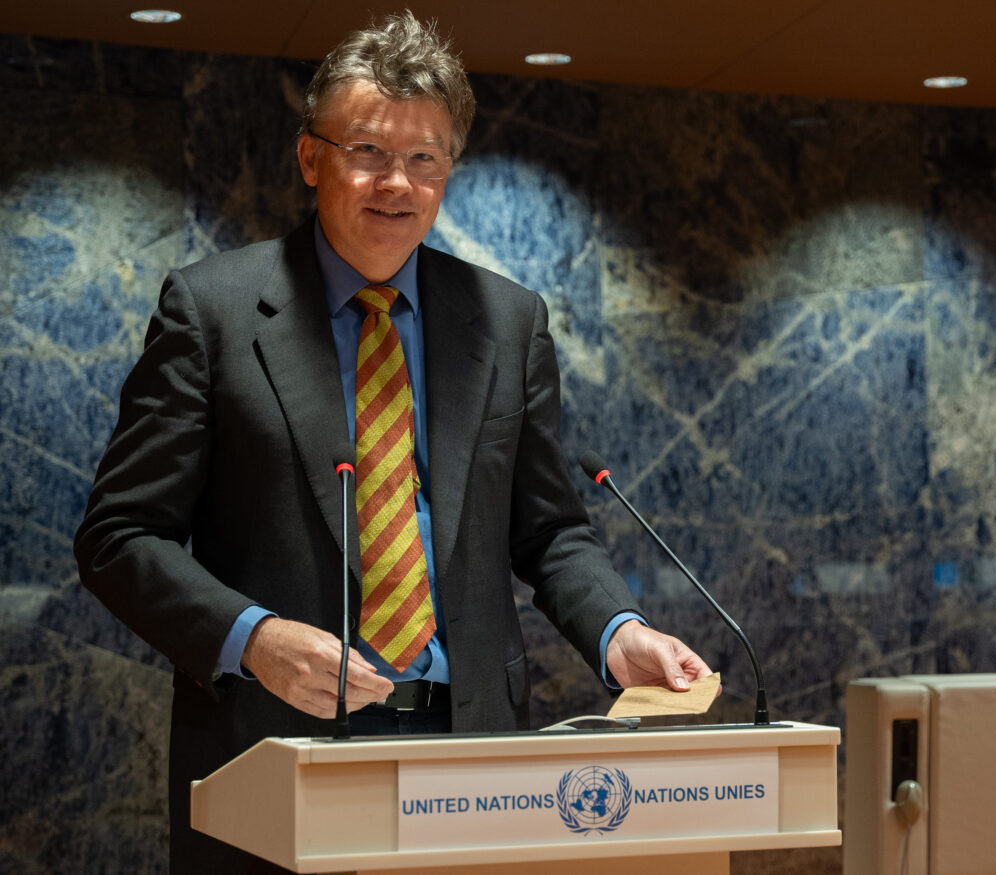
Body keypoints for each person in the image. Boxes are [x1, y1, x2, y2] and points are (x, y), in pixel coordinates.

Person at [74, 11, 713, 873]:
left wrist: (616, 630)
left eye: (425, 159)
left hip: (473, 757)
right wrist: (253, 637)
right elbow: (119, 535)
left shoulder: (508, 321)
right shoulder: (212, 310)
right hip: (274, 748)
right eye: (368, 151)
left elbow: (550, 530)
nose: (397, 184)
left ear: (448, 170)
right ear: (311, 158)